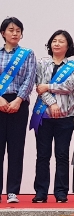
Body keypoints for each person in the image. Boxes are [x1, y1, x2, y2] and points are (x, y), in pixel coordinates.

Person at [31, 30, 74, 203]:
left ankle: (61, 192)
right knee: (43, 155)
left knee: (62, 154)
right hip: (43, 115)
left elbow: (69, 86)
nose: (57, 44)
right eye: (54, 41)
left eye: (61, 41)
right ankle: (41, 192)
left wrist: (49, 86)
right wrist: (51, 103)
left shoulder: (73, 66)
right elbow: (39, 86)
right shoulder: (42, 63)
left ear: (68, 46)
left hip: (66, 116)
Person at [0, 17, 36, 204]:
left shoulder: (27, 54)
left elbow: (30, 79)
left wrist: (18, 100)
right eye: (11, 30)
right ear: (3, 33)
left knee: (15, 149)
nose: (15, 33)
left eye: (18, 30)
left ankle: (12, 191)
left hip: (18, 104)